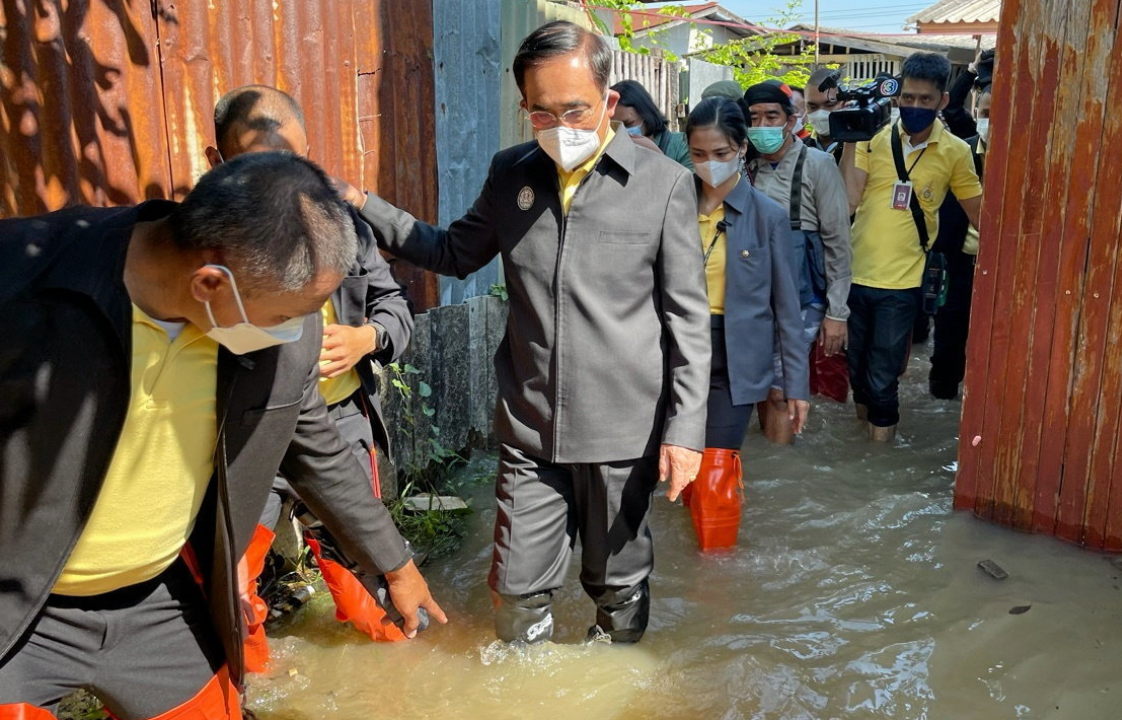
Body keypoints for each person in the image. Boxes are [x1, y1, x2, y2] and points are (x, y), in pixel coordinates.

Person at [0, 153, 446, 720]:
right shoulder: (23, 278)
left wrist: (397, 565)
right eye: (291, 316)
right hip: (18, 609)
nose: (303, 332)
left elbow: (314, 445)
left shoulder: (276, 325)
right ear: (211, 282)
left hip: (158, 601)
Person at [335, 21, 709, 645]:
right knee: (514, 591)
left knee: (617, 584)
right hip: (530, 426)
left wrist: (686, 432)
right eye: (542, 113)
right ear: (523, 109)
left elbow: (688, 319)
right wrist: (362, 201)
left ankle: (616, 682)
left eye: (576, 110)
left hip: (623, 431)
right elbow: (454, 251)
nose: (561, 125)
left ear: (609, 101)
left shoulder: (663, 184)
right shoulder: (513, 174)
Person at [205, 85, 416, 662]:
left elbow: (396, 306)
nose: (278, 179)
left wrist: (367, 338)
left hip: (341, 422)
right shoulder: (199, 241)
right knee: (233, 589)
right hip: (249, 435)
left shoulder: (347, 225)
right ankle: (247, 686)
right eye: (255, 162)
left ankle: (393, 675)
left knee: (370, 581)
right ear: (216, 163)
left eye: (293, 161)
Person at [680, 97, 810, 550]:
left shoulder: (768, 216)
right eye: (698, 154)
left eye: (719, 153)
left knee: (716, 473)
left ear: (741, 149)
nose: (709, 164)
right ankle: (691, 546)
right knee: (681, 468)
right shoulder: (671, 209)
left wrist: (795, 386)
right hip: (672, 354)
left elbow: (787, 309)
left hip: (734, 364)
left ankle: (716, 578)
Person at [839, 52, 984, 442]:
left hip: (903, 285)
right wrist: (851, 140)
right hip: (855, 276)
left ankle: (879, 456)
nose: (914, 106)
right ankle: (863, 448)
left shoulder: (955, 151)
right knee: (856, 373)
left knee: (884, 376)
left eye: (924, 99)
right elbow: (850, 200)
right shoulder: (873, 137)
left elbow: (980, 215)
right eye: (907, 98)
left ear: (942, 102)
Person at [743, 81, 852, 444]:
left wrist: (837, 313)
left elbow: (837, 242)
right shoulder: (743, 166)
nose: (762, 126)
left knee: (779, 388)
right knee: (758, 386)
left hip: (802, 298)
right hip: (753, 295)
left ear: (791, 120)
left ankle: (780, 469)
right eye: (754, 118)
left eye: (771, 117)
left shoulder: (818, 165)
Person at [930, 58, 993, 400]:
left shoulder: (1026, 158)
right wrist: (969, 72)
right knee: (948, 340)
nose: (989, 120)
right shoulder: (963, 151)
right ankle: (941, 400)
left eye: (998, 112)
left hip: (1002, 271)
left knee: (993, 345)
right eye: (984, 112)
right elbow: (952, 104)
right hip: (958, 265)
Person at [612, 79, 693, 170]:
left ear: (646, 114)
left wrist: (656, 155)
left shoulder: (682, 145)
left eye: (629, 124)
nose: (622, 132)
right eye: (615, 127)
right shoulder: (614, 152)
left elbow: (691, 182)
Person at [803, 68, 850, 161]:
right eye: (813, 106)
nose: (820, 113)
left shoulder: (862, 148)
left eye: (829, 105)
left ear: (845, 103)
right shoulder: (800, 150)